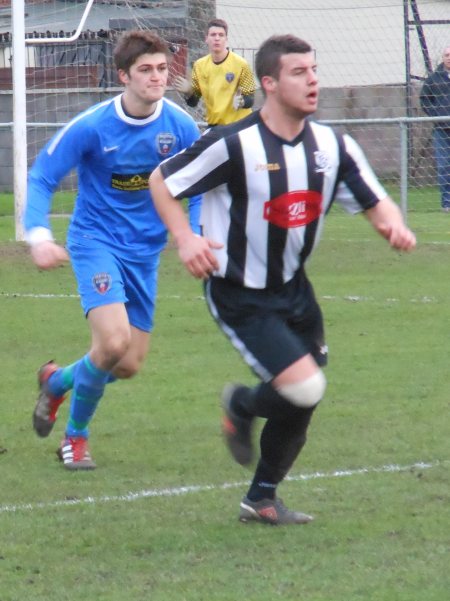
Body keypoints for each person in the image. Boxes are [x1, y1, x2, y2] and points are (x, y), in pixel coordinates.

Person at [150, 34, 416, 525]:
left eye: (314, 70)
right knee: (305, 387)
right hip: (239, 292)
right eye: (299, 72)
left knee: (304, 395)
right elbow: (162, 181)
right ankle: (242, 404)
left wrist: (392, 224)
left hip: (295, 289)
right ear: (269, 84)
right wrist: (185, 237)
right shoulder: (233, 145)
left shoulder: (332, 147)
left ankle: (261, 497)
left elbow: (374, 199)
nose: (313, 80)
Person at [24, 30, 202, 470]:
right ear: (123, 75)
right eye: (145, 70)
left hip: (145, 253)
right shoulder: (92, 125)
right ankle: (75, 439)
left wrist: (193, 234)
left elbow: (199, 186)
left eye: (162, 69)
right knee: (113, 341)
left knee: (126, 364)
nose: (157, 77)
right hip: (95, 242)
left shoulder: (179, 126)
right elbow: (43, 175)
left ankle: (57, 380)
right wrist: (39, 237)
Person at [173, 18, 256, 126]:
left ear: (226, 39)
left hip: (239, 125)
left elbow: (250, 99)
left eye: (221, 35)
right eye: (213, 35)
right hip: (215, 126)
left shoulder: (241, 64)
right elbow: (193, 102)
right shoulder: (199, 65)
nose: (217, 38)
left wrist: (242, 102)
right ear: (206, 38)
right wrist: (188, 92)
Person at [420, 45, 450, 211]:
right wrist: (436, 115)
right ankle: (447, 203)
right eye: (446, 55)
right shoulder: (434, 78)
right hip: (442, 130)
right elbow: (425, 100)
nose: (449, 57)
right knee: (444, 166)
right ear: (443, 57)